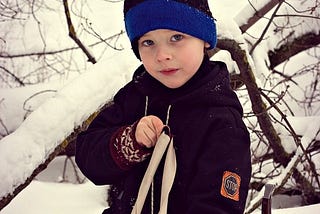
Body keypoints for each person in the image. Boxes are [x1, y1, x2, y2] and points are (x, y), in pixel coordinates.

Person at [75, 0, 252, 213]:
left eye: (176, 37)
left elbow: (217, 208)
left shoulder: (221, 122)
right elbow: (88, 158)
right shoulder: (136, 96)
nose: (162, 55)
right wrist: (131, 141)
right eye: (148, 43)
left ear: (204, 39)